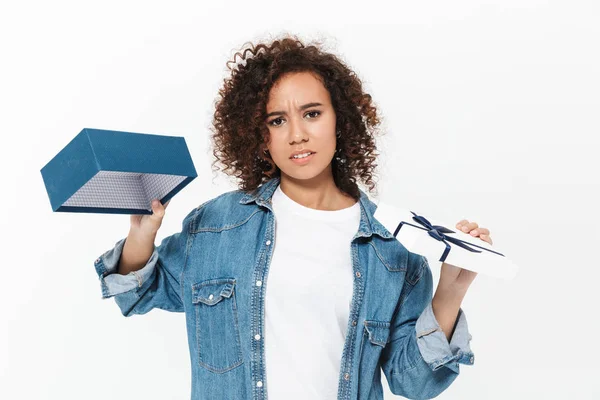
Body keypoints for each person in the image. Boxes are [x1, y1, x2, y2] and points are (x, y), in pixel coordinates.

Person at [93, 34, 492, 400]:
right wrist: (141, 235)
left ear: (341, 120)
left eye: (312, 113)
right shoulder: (218, 225)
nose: (296, 134)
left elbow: (414, 382)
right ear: (258, 134)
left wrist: (450, 292)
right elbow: (136, 293)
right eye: (277, 120)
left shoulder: (394, 248)